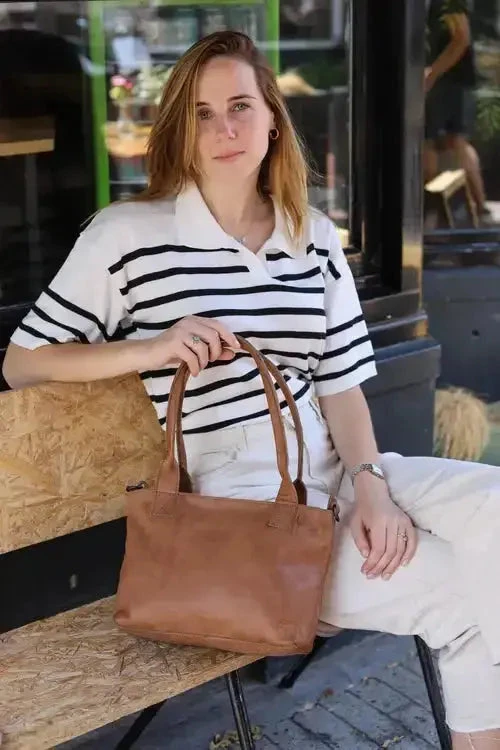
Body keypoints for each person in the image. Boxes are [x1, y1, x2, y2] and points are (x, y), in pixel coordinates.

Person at [2, 31, 500, 748]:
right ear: (180, 130)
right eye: (201, 114)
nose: (224, 130)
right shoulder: (128, 237)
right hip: (242, 507)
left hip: (335, 466)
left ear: (272, 118)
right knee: (459, 598)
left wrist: (371, 489)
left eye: (239, 106)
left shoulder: (312, 235)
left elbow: (340, 383)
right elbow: (23, 362)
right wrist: (153, 347)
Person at [424, 0, 491, 224]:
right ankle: (475, 207)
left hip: (450, 84)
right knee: (452, 142)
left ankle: (429, 209)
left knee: (430, 142)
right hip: (451, 83)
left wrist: (432, 74)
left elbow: (461, 38)